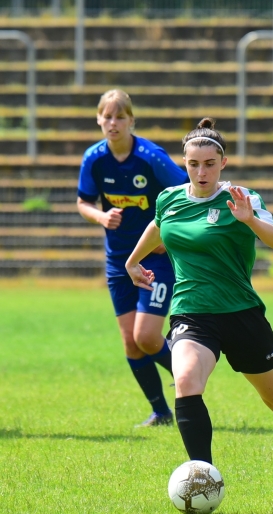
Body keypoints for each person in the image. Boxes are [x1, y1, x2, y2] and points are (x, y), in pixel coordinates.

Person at [125, 118, 273, 504]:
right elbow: (158, 225)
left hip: (242, 315)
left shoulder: (241, 197)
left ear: (223, 163)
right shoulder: (170, 198)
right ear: (184, 162)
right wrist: (133, 261)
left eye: (210, 164)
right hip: (192, 314)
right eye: (193, 164)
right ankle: (201, 481)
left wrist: (250, 220)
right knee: (185, 380)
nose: (201, 172)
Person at [77, 89, 189, 427]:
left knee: (147, 337)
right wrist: (101, 217)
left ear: (131, 121)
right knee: (131, 342)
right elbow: (83, 202)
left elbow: (186, 193)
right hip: (117, 261)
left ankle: (190, 376)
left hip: (154, 258)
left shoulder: (150, 157)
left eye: (120, 117)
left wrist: (167, 239)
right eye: (107, 117)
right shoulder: (94, 159)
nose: (113, 123)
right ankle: (161, 411)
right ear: (99, 120)